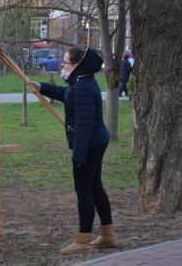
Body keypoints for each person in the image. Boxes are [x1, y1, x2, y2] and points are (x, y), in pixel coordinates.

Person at [30, 47, 116, 255]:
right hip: (96, 141)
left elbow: (85, 126)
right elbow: (66, 95)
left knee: (84, 191)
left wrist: (79, 156)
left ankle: (83, 239)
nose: (63, 65)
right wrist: (41, 87)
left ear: (78, 65)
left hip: (90, 145)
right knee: (95, 187)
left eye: (66, 63)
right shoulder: (80, 82)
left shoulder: (84, 87)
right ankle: (107, 235)